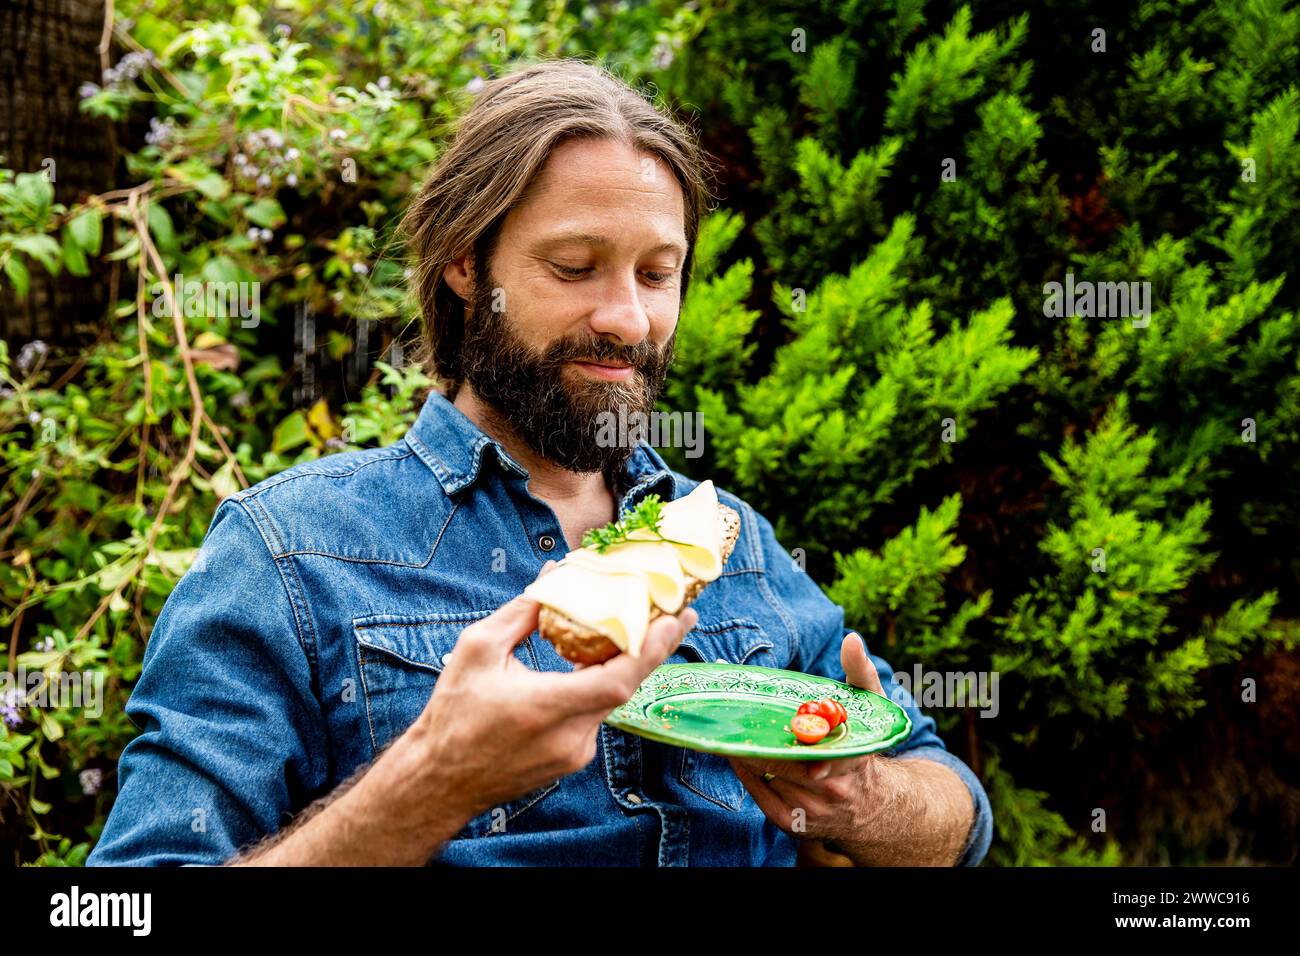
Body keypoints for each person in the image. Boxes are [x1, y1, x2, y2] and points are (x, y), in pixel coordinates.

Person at [87, 59, 992, 867]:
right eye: (573, 266)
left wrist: (865, 803)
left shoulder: (737, 544)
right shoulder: (289, 553)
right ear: (465, 265)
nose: (627, 319)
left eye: (655, 273)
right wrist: (430, 785)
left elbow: (956, 811)